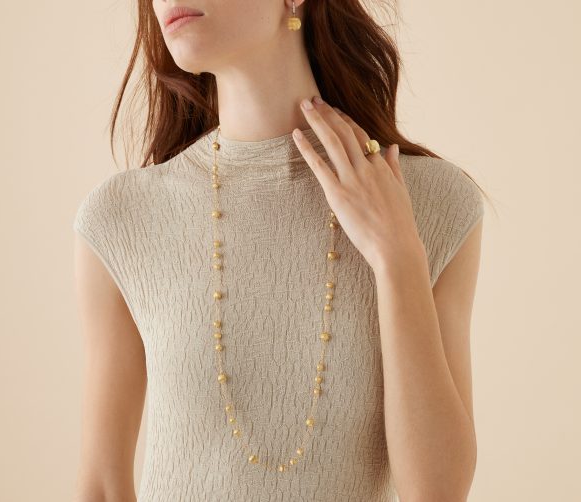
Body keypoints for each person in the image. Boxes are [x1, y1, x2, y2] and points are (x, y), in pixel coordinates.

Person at [73, 1, 486, 501]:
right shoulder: (122, 219)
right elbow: (100, 485)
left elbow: (437, 493)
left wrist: (397, 255)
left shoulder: (434, 204)